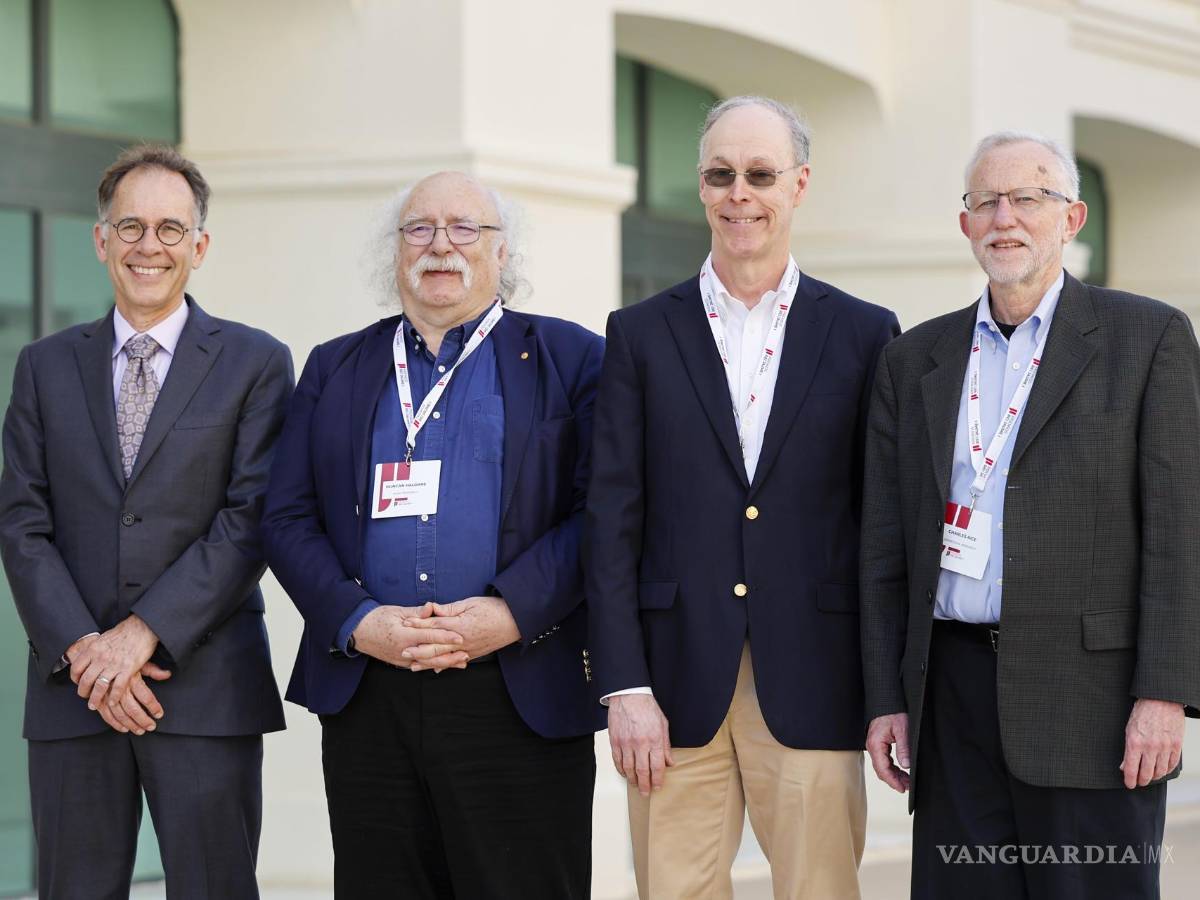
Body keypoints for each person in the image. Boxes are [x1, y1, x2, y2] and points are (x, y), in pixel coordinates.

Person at [861, 130, 1200, 899]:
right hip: (949, 698)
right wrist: (887, 696)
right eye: (987, 201)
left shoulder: (1148, 339)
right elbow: (886, 545)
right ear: (965, 223)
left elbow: (1180, 536)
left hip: (1093, 703)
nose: (1005, 218)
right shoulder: (913, 359)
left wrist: (1164, 694)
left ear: (1072, 218)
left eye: (1028, 199)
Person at [585, 95, 900, 900]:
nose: (739, 194)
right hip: (673, 686)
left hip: (817, 677)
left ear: (798, 185)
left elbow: (882, 525)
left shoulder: (866, 334)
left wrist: (887, 692)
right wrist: (624, 687)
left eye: (760, 175)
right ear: (699, 186)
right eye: (721, 175)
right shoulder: (640, 332)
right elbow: (611, 519)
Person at [262, 171, 604, 899]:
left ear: (500, 250)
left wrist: (509, 614)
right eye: (419, 228)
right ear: (395, 253)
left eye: (464, 229)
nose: (440, 245)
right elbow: (286, 516)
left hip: (517, 689)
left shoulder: (573, 360)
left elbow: (600, 513)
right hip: (371, 695)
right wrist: (358, 620)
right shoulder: (336, 367)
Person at [0, 144, 293, 899]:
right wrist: (86, 652)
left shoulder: (256, 363)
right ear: (101, 240)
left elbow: (250, 515)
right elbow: (22, 521)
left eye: (169, 229)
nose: (148, 246)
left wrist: (142, 634)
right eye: (130, 226)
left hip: (203, 687)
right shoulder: (43, 364)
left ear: (199, 246)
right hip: (74, 690)